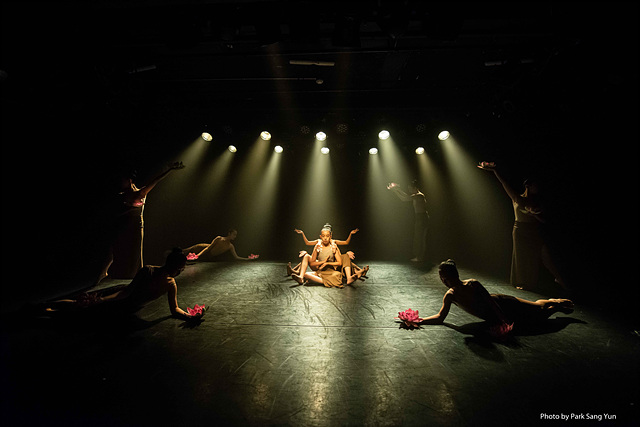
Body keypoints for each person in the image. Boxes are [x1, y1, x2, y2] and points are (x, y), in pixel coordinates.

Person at [407, 259, 573, 332]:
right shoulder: (450, 296)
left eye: (446, 278)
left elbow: (492, 303)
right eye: (441, 278)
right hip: (495, 317)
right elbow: (440, 317)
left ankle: (555, 303)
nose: (444, 281)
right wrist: (418, 320)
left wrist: (504, 322)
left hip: (504, 304)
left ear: (454, 275)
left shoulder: (472, 284)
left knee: (537, 310)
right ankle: (555, 307)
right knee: (536, 320)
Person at [37, 248, 201, 320]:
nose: (180, 271)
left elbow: (174, 309)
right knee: (81, 304)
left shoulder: (171, 284)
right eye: (180, 268)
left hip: (126, 306)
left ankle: (47, 311)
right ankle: (44, 306)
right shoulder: (148, 271)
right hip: (117, 297)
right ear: (172, 265)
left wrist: (189, 316)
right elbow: (126, 293)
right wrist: (102, 300)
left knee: (82, 313)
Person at [478, 162, 566, 290]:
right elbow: (504, 183)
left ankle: (559, 279)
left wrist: (534, 215)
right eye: (535, 185)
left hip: (534, 231)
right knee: (522, 258)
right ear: (528, 186)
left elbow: (545, 221)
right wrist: (495, 171)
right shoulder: (518, 198)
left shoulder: (537, 201)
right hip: (520, 230)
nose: (538, 188)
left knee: (545, 255)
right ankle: (523, 282)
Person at [104, 161, 185, 280]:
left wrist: (169, 169)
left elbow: (154, 181)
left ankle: (137, 275)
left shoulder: (139, 193)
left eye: (123, 180)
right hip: (123, 226)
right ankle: (106, 273)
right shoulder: (122, 195)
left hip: (135, 227)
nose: (120, 183)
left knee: (135, 254)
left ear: (129, 180)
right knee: (115, 249)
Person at [287, 225, 368, 280]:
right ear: (321, 236)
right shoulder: (318, 242)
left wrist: (350, 234)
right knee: (306, 256)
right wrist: (302, 233)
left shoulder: (333, 243)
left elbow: (345, 243)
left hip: (330, 265)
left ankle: (360, 271)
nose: (325, 238)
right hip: (319, 264)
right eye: (323, 236)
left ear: (330, 235)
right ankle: (297, 273)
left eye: (327, 235)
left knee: (346, 260)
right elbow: (308, 243)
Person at [387, 180, 429, 262]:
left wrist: (395, 191)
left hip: (422, 217)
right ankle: (420, 256)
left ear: (415, 188)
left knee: (420, 237)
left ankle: (420, 257)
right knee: (419, 237)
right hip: (420, 217)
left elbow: (404, 199)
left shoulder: (419, 195)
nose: (409, 191)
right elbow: (406, 196)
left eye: (410, 189)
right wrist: (397, 189)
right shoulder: (416, 195)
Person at [182, 229, 258, 261]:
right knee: (189, 250)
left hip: (208, 255)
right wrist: (197, 256)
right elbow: (208, 248)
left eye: (236, 235)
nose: (235, 236)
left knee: (187, 255)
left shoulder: (230, 246)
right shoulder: (219, 238)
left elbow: (236, 257)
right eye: (234, 234)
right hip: (203, 248)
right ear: (229, 233)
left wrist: (248, 259)